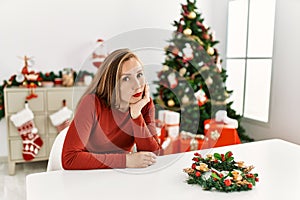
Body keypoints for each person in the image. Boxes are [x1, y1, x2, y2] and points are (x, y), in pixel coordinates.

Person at [62, 48, 162, 170]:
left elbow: (154, 155)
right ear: (112, 84)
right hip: (89, 173)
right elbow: (70, 159)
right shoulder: (91, 103)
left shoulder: (143, 103)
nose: (137, 85)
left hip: (119, 174)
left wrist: (136, 115)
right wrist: (126, 161)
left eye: (139, 74)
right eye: (126, 78)